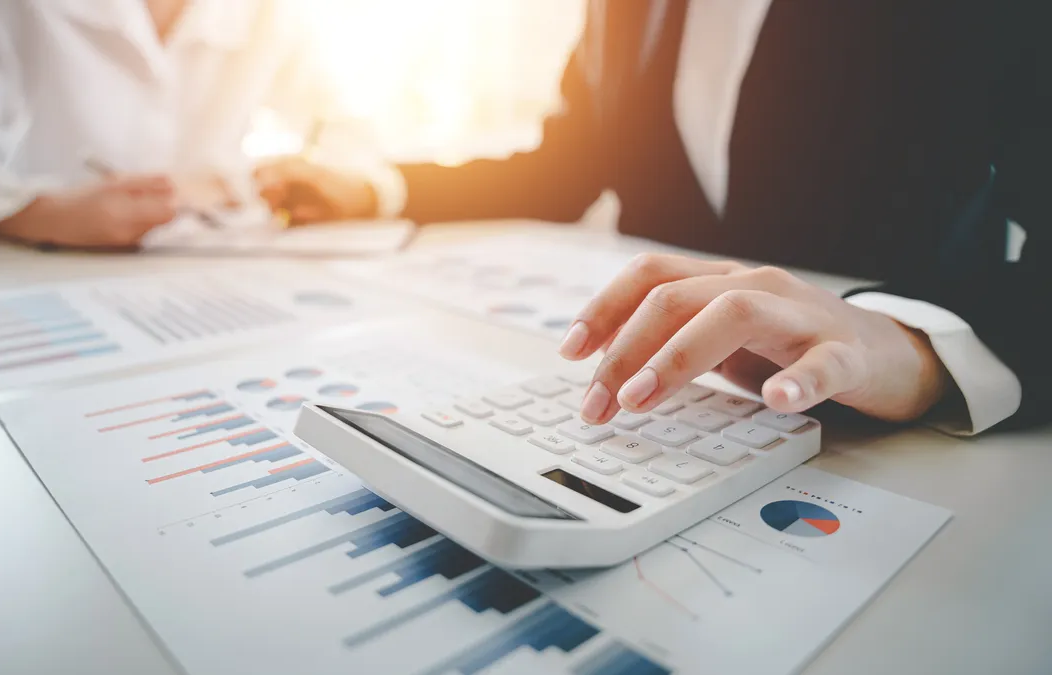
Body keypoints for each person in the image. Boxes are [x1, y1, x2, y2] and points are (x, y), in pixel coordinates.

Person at [258, 0, 1051, 434]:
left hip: (893, 419)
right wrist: (377, 189)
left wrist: (922, 344)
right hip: (685, 411)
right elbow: (566, 163)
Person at [0, 0, 391, 251]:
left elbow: (357, 139)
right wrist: (47, 212)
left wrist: (354, 188)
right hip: (49, 276)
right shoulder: (14, 8)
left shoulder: (270, 15)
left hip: (217, 286)